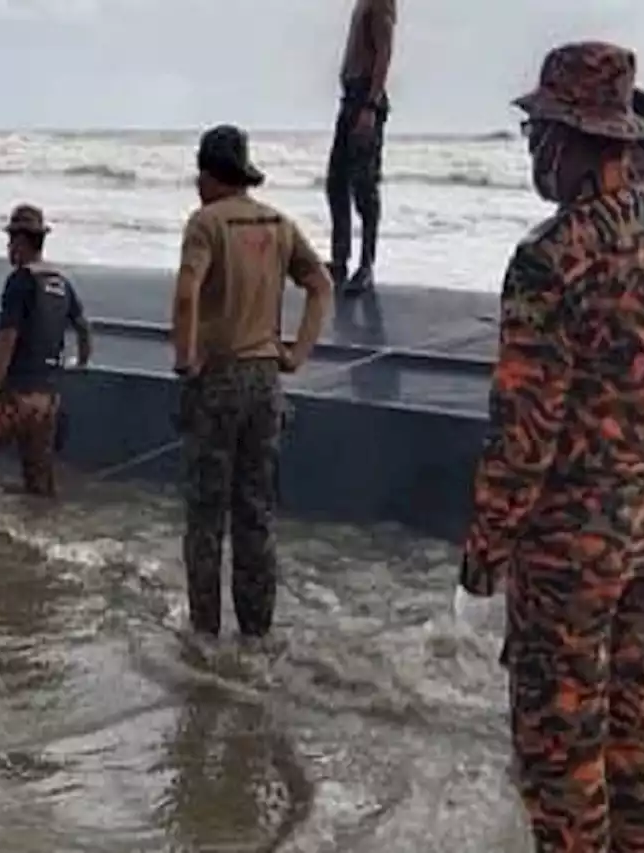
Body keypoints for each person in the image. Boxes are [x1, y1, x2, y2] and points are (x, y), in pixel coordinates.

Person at [458, 42, 644, 853]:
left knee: (560, 756)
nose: (534, 150)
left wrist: (486, 543)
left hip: (570, 552)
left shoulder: (552, 257)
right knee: (637, 741)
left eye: (539, 133)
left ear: (573, 137)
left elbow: (527, 432)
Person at [172, 125, 332, 641]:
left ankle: (204, 633)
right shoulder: (279, 223)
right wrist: (298, 352)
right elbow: (320, 285)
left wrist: (184, 357)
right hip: (267, 381)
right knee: (256, 512)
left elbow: (186, 293)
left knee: (205, 515)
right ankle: (256, 631)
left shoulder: (205, 224)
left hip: (218, 376)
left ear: (209, 172)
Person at [0, 204, 92, 503]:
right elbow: (84, 328)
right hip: (48, 402)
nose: (9, 248)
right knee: (39, 480)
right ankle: (40, 534)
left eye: (11, 241)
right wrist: (82, 362)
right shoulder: (61, 283)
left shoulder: (20, 281)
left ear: (22, 242)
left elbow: (7, 339)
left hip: (19, 398)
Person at [325, 0, 396, 296]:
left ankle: (366, 265)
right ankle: (339, 260)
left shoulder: (380, 3)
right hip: (351, 97)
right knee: (336, 183)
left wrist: (370, 103)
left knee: (364, 187)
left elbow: (384, 53)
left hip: (365, 99)